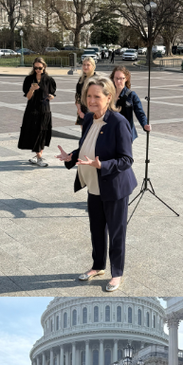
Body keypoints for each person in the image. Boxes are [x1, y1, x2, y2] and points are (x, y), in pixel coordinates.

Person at [56, 77, 137, 292]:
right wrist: (71, 156)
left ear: (109, 97)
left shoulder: (119, 122)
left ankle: (117, 273)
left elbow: (127, 160)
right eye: (89, 96)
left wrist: (103, 165)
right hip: (94, 185)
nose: (91, 100)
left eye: (97, 96)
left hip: (114, 187)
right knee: (96, 229)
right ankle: (98, 266)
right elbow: (87, 147)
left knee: (116, 232)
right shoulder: (90, 119)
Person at [19, 57, 57, 166]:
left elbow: (53, 94)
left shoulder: (49, 80)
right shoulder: (29, 79)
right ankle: (39, 158)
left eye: (40, 68)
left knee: (43, 131)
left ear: (44, 67)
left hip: (45, 109)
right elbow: (28, 97)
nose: (38, 70)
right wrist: (31, 89)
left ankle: (38, 156)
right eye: (35, 68)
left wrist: (51, 97)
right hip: (32, 109)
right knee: (34, 132)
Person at [110, 66, 150, 141]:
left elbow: (140, 112)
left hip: (126, 133)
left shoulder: (131, 95)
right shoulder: (108, 94)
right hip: (111, 132)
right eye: (116, 78)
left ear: (126, 78)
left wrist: (145, 125)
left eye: (121, 78)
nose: (118, 81)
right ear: (113, 79)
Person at [75, 56, 100, 126]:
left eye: (88, 65)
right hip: (82, 111)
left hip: (94, 112)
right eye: (84, 64)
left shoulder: (97, 80)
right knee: (84, 135)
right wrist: (80, 111)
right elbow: (78, 96)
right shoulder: (81, 80)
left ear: (93, 66)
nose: (85, 67)